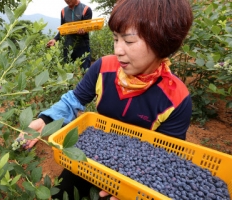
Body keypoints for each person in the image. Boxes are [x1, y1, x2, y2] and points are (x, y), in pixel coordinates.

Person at [23, 0, 193, 199]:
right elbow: (73, 100)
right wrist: (45, 120)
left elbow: (166, 157)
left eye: (128, 41)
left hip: (132, 177)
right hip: (88, 158)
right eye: (115, 39)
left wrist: (137, 186)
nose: (118, 50)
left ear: (162, 43)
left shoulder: (176, 97)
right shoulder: (104, 68)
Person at [46, 0, 92, 71]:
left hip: (82, 47)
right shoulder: (63, 11)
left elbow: (87, 29)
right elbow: (62, 30)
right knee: (67, 73)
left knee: (86, 72)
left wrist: (83, 32)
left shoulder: (86, 9)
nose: (66, 0)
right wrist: (54, 39)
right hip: (68, 47)